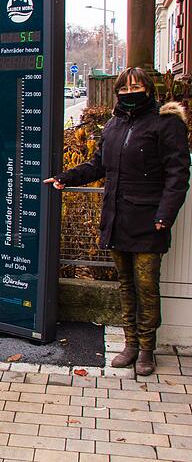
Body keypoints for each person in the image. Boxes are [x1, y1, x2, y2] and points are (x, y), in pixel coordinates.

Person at [45, 67, 189, 375]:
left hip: (150, 221)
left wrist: (165, 213)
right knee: (126, 284)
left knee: (147, 285)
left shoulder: (166, 125)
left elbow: (178, 175)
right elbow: (98, 165)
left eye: (136, 87)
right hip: (116, 218)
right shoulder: (113, 125)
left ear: (149, 90)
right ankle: (130, 344)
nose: (129, 93)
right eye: (124, 88)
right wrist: (65, 177)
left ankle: (147, 350)